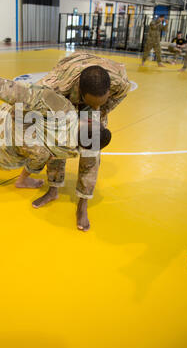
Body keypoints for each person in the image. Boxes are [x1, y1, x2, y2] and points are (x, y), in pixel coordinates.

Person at [0, 58, 112, 231]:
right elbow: (17, 93)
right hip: (2, 123)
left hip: (2, 132)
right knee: (28, 123)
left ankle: (71, 198)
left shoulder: (71, 141)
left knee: (54, 150)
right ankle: (47, 187)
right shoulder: (57, 99)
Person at [32, 52, 131, 231]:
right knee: (57, 146)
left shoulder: (120, 83)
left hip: (92, 92)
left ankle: (82, 203)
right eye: (91, 103)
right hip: (66, 100)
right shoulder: (54, 86)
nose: (94, 107)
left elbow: (114, 99)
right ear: (81, 92)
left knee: (91, 152)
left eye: (99, 102)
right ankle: (53, 190)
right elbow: (26, 101)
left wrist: (97, 114)